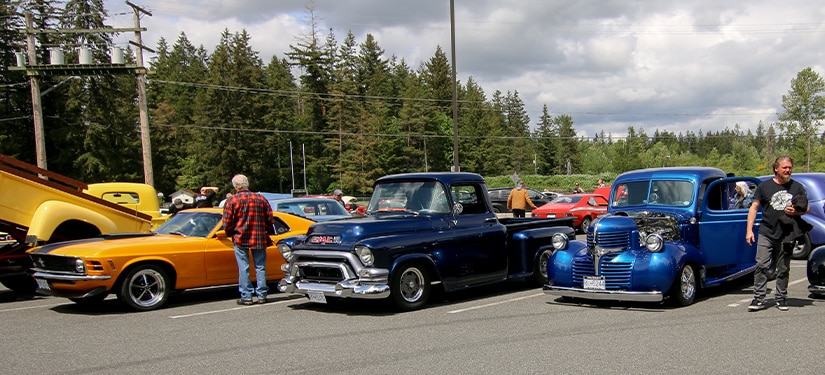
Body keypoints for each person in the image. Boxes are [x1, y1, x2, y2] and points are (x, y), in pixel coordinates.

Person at [746, 156, 810, 312]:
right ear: (776, 169)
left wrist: (797, 211)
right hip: (766, 232)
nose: (788, 170)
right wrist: (749, 230)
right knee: (761, 264)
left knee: (783, 268)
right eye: (784, 168)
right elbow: (754, 208)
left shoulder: (797, 187)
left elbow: (807, 208)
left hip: (787, 234)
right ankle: (758, 298)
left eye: (790, 167)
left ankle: (781, 298)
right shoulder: (764, 187)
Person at [222, 174, 276, 306]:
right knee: (260, 266)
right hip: (258, 237)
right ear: (247, 184)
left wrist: (231, 233)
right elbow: (270, 219)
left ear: (235, 186)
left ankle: (246, 296)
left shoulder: (232, 201)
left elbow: (226, 223)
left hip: (240, 237)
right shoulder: (260, 198)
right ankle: (262, 295)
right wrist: (264, 230)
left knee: (243, 267)